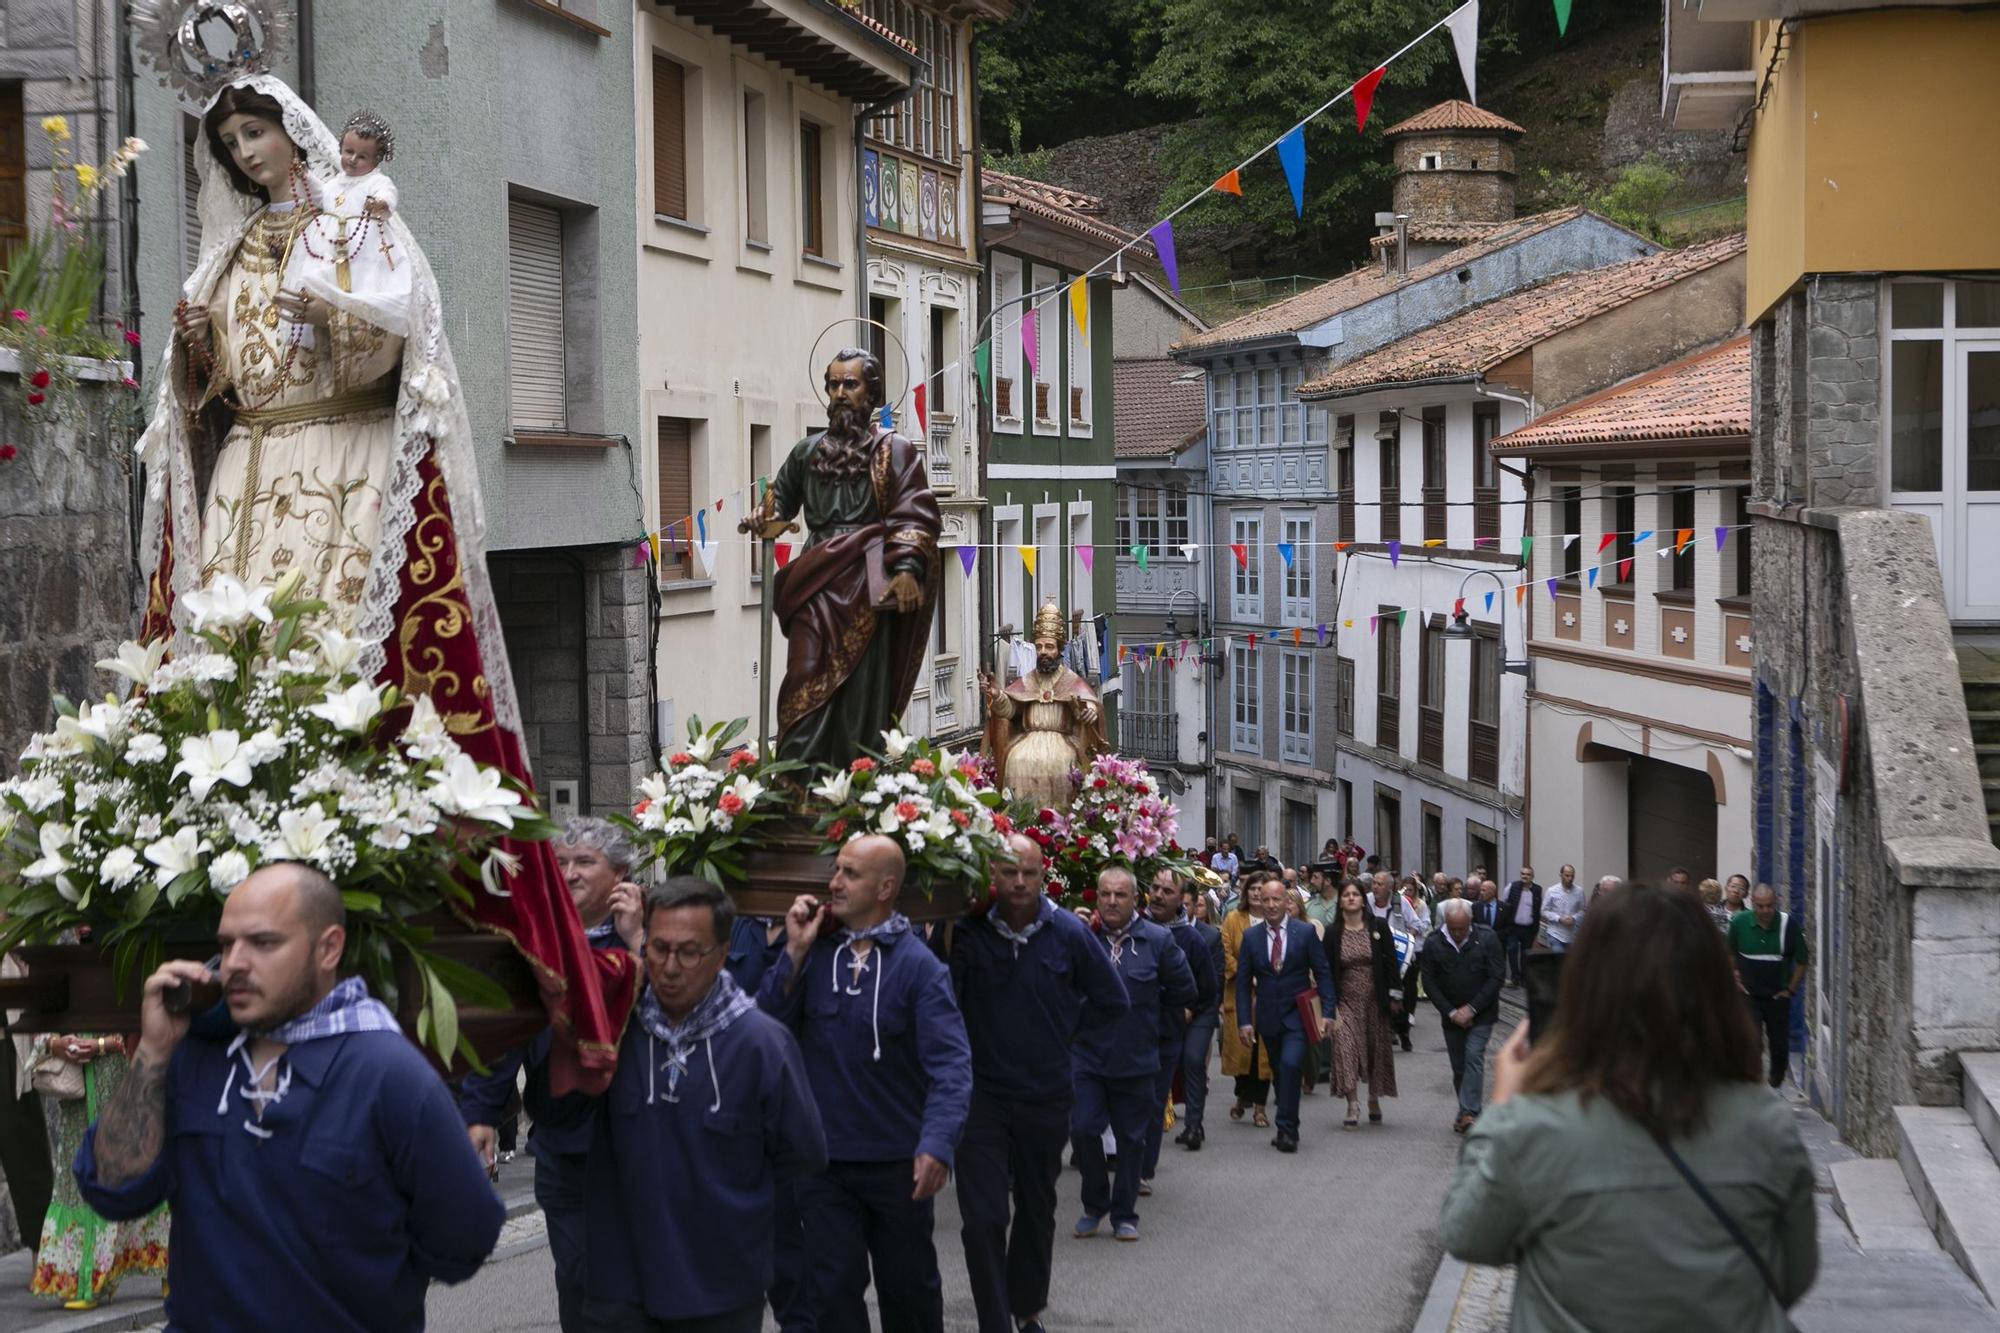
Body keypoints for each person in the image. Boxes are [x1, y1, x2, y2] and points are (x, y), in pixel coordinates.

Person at [148, 67, 635, 1090]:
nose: (244, 151)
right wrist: (196, 361)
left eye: (255, 131)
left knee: (341, 659)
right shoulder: (225, 254)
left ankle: (346, 840)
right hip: (253, 473)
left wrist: (328, 308)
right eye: (229, 139)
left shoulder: (359, 218)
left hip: (345, 470)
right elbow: (216, 396)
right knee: (240, 665)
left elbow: (395, 350)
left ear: (293, 134)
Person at [74, 863, 503, 1330]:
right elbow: (113, 1191)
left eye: (263, 943)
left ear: (328, 948)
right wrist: (154, 1050)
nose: (235, 962)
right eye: (226, 944)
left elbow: (465, 1239)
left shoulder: (389, 1073)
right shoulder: (193, 1058)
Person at [1441, 883, 1817, 1332]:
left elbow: (1469, 1235)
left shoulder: (1539, 1126)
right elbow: (1791, 1276)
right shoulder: (1766, 1123)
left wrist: (1502, 1110)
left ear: (1587, 987)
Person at [539, 879, 826, 1333]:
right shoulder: (617, 1028)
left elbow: (803, 1153)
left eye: (689, 952)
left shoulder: (762, 1044)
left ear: (722, 953)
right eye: (659, 948)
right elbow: (552, 1113)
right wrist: (575, 1026)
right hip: (621, 1287)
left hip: (721, 1289)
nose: (670, 967)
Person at [758, 835, 972, 1333]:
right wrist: (792, 950)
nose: (834, 882)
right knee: (831, 1295)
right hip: (823, 1164)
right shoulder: (812, 952)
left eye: (849, 874)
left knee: (910, 1292)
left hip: (899, 1164)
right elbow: (764, 1030)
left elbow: (951, 1065)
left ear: (886, 887)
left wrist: (938, 1144)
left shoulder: (920, 967)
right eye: (836, 870)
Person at [460, 816, 645, 1333]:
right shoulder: (533, 948)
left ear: (622, 875)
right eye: (560, 864)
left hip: (644, 1145)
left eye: (585, 862)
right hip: (566, 1145)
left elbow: (668, 1020)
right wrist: (479, 1117)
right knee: (580, 1278)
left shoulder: (659, 938)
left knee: (643, 1277)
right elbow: (502, 1041)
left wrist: (637, 947)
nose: (570, 873)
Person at [951, 835, 1127, 1333]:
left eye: (1028, 872)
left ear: (1043, 873)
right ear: (993, 875)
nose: (1020, 882)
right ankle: (993, 1322)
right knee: (982, 1217)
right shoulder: (967, 934)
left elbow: (1112, 1002)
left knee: (1036, 1207)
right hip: (980, 1097)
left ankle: (1026, 1309)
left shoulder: (1069, 933)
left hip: (1046, 1095)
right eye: (1009, 872)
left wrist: (1066, 1035)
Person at [1070, 868, 1195, 1241]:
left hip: (1137, 1060)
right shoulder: (1081, 937)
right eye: (1104, 894)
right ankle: (1094, 1204)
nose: (1111, 901)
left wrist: (1149, 1021)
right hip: (1088, 1058)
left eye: (1119, 895)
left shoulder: (1157, 940)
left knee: (1132, 1140)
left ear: (1134, 899)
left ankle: (1124, 1213)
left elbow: (1184, 989)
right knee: (1082, 1129)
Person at [27, 1029, 168, 1309]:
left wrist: (101, 1045)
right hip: (79, 1081)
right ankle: (84, 1275)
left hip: (121, 1073)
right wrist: (56, 1044)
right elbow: (40, 1016)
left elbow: (144, 1025)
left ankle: (170, 1266)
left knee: (140, 1166)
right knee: (78, 1178)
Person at [1235, 874, 1336, 1153]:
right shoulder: (1251, 937)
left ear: (1286, 902)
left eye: (1276, 899)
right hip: (1268, 1017)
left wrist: (1328, 1012)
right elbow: (1242, 983)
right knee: (1280, 1072)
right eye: (1265, 899)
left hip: (1297, 1015)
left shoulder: (1304, 933)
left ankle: (1287, 1129)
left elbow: (1324, 973)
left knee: (1292, 1065)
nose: (1270, 904)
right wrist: (1244, 1021)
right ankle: (1287, 1122)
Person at [979, 601, 1106, 811]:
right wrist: (997, 695)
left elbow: (1090, 704)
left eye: (1049, 646)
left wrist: (1089, 713)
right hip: (1026, 742)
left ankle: (1058, 823)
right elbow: (1009, 711)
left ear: (1059, 649)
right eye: (1039, 647)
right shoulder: (1028, 681)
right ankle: (1020, 821)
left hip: (1062, 743)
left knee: (1059, 768)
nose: (1043, 652)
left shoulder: (1071, 680)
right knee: (1017, 762)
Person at [1143, 869, 1218, 1181]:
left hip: (1184, 1020)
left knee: (1187, 1065)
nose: (1159, 895)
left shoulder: (1193, 939)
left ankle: (1190, 1127)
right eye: (1155, 888)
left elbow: (1207, 988)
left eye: (1168, 891)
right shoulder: (1135, 928)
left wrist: (1187, 1005)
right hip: (1143, 1024)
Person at [1420, 898, 1505, 1134]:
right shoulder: (1434, 943)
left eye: (1462, 928)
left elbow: (1496, 977)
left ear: (1470, 922)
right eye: (1453, 928)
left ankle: (1471, 1113)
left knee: (1473, 1057)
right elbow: (1429, 981)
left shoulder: (1487, 938)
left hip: (1482, 1014)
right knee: (1459, 1068)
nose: (1457, 933)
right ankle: (1464, 1111)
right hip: (1451, 1016)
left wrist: (1472, 1008)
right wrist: (1451, 1011)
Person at [1328, 880, 1401, 1129]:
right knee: (1345, 1048)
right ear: (1340, 900)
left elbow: (1391, 964)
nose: (1350, 898)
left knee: (1374, 1051)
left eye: (1355, 894)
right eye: (1346, 895)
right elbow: (1326, 971)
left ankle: (1373, 1097)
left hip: (1375, 1000)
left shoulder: (1378, 927)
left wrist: (1395, 997)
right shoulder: (1332, 932)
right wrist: (1329, 1007)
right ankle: (1352, 1103)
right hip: (1345, 1001)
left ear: (1363, 899)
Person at [1167, 873, 1226, 1154]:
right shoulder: (1163, 931)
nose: (1185, 908)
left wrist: (1192, 1006)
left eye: (1190, 903)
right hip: (1170, 1010)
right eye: (1182, 903)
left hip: (1201, 1009)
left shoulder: (1209, 936)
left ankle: (1193, 1125)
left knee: (1192, 1060)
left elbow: (1213, 979)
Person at [1729, 885, 1809, 1089]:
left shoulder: (1786, 924)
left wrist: (1790, 990)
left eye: (1769, 906)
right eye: (1761, 906)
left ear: (1775, 904)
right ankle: (1753, 1084)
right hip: (1748, 994)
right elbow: (1729, 952)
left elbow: (1802, 960)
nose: (1765, 911)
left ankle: (1776, 1078)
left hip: (1777, 996)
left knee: (1779, 1043)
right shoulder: (1739, 923)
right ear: (1753, 904)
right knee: (1752, 1040)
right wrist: (1735, 977)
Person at [1219, 875, 1274, 1127]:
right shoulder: (1233, 919)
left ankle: (1260, 1108)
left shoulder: (1276, 921)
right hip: (1240, 994)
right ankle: (1242, 1096)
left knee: (1264, 1055)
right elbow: (1226, 951)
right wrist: (1245, 975)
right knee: (1243, 1054)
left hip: (1269, 995)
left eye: (1261, 889)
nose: (1256, 893)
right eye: (1252, 888)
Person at [1501, 866, 1544, 986]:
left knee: (1526, 953)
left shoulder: (1537, 890)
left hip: (1528, 928)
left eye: (1528, 874)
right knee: (1512, 950)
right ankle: (1515, 975)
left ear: (1532, 877)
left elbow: (1538, 908)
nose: (1525, 876)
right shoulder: (1512, 887)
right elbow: (1505, 903)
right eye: (1523, 874)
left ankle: (1524, 977)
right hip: (1513, 926)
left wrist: (1536, 927)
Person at [1541, 864, 1584, 952]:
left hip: (1572, 934)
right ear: (1561, 875)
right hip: (1555, 933)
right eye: (1567, 876)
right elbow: (1544, 911)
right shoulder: (1552, 891)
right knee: (1559, 960)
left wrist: (1574, 918)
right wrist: (1559, 919)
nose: (1570, 878)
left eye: (1572, 876)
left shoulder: (1579, 891)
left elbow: (1583, 910)